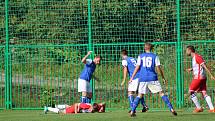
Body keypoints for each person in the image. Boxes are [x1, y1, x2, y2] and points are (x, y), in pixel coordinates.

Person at [129, 42, 177, 117]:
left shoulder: (140, 56)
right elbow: (158, 68)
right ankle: (171, 109)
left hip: (143, 78)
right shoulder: (155, 56)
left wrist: (132, 77)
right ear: (151, 48)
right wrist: (163, 77)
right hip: (152, 77)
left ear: (144, 48)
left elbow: (137, 67)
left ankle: (132, 111)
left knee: (140, 95)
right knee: (161, 93)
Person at [186, 45, 215, 113]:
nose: (186, 52)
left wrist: (211, 75)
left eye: (186, 51)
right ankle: (212, 109)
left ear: (190, 50)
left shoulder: (197, 57)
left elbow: (204, 66)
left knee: (190, 92)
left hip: (198, 78)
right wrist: (192, 69)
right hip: (202, 78)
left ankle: (199, 108)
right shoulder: (194, 58)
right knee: (204, 92)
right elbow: (198, 66)